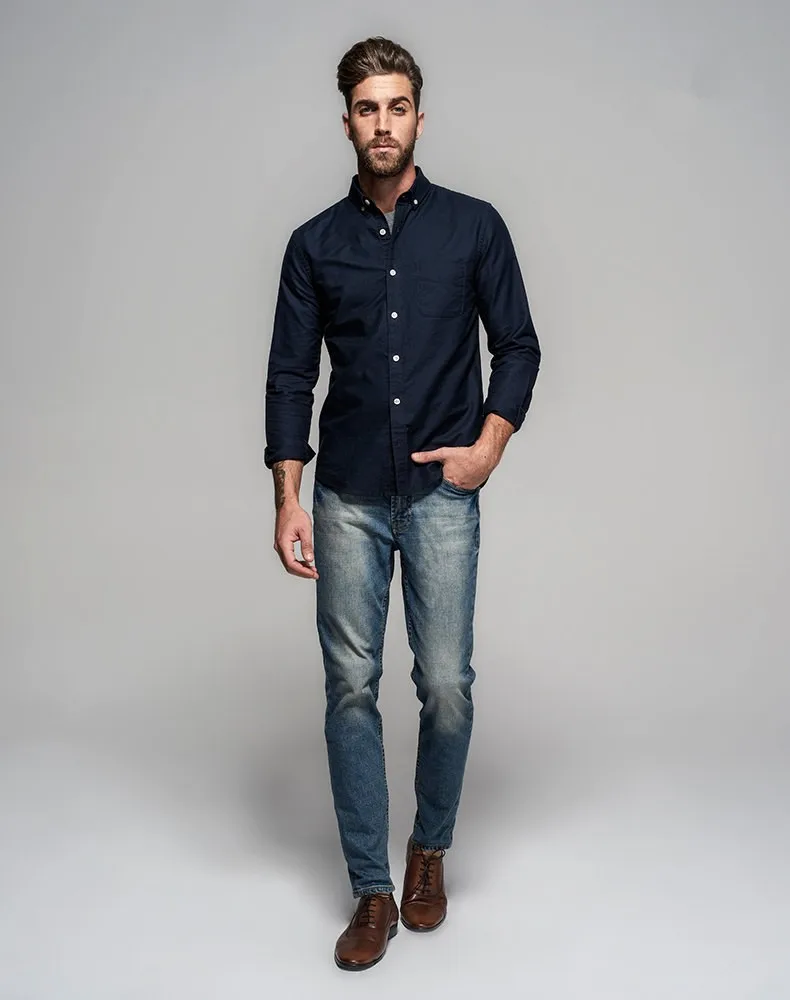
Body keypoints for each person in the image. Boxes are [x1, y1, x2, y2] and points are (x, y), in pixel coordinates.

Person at [263, 35, 541, 971]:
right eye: (366, 108)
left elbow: (519, 344)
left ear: (420, 116)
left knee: (446, 686)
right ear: (346, 122)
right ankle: (370, 890)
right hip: (344, 497)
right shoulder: (313, 245)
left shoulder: (474, 228)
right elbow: (290, 375)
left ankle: (429, 851)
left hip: (438, 497)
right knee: (350, 688)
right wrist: (288, 498)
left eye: (396, 106)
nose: (382, 124)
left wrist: (488, 449)